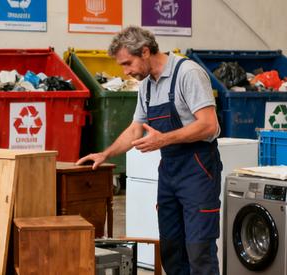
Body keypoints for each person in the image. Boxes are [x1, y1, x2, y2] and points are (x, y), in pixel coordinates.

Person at [76, 26, 223, 274]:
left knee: (200, 250)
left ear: (145, 51)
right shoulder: (146, 86)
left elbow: (210, 125)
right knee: (171, 249)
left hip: (198, 170)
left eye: (127, 63)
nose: (126, 72)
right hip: (170, 172)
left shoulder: (187, 73)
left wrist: (163, 139)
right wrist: (105, 154)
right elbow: (135, 129)